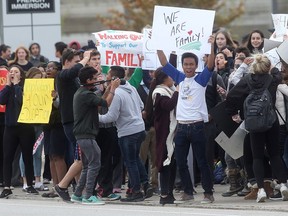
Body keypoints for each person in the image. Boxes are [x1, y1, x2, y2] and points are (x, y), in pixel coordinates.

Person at [156, 35, 215, 204]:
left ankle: (208, 192)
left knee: (202, 162)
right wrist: (158, 44)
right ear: (182, 66)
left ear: (196, 66)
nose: (188, 67)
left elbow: (211, 65)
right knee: (180, 161)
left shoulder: (201, 79)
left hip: (197, 127)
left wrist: (211, 47)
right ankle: (188, 191)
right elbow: (164, 62)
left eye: (191, 64)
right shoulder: (179, 78)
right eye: (186, 64)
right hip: (181, 128)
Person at [226, 54, 288, 202]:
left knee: (257, 157)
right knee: (274, 155)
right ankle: (284, 185)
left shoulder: (247, 80)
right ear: (267, 67)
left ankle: (260, 190)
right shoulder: (273, 79)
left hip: (253, 123)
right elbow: (277, 73)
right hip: (271, 121)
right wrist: (271, 68)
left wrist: (235, 113)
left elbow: (232, 96)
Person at [99, 66, 151, 202]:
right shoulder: (132, 88)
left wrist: (95, 117)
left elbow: (111, 117)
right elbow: (140, 106)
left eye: (108, 76)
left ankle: (136, 191)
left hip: (127, 132)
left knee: (130, 162)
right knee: (135, 158)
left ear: (114, 79)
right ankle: (146, 184)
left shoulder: (117, 94)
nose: (106, 79)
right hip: (139, 128)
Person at [70, 66, 120, 204]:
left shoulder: (84, 93)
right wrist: (114, 89)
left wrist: (109, 88)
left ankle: (78, 194)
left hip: (83, 134)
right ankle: (88, 196)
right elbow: (106, 103)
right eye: (94, 78)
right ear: (88, 80)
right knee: (95, 163)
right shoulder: (86, 94)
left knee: (87, 166)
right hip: (86, 134)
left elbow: (98, 104)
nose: (97, 80)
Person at [54, 49, 92, 201]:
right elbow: (74, 71)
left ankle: (78, 189)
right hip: (71, 122)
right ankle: (62, 185)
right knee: (81, 158)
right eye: (76, 61)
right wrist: (85, 59)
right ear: (66, 62)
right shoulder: (62, 75)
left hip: (78, 121)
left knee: (79, 157)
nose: (79, 65)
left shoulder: (73, 79)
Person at [0, 65, 38, 198]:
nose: (13, 73)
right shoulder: (8, 88)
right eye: (11, 72)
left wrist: (16, 85)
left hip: (25, 127)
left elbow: (21, 100)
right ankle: (6, 186)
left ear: (21, 75)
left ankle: (30, 184)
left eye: (16, 72)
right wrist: (8, 85)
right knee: (7, 157)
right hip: (10, 127)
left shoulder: (24, 88)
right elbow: (1, 100)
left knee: (27, 156)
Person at [145, 68, 178, 204]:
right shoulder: (159, 92)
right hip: (164, 132)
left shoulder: (168, 90)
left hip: (171, 131)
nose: (173, 79)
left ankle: (169, 193)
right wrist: (177, 92)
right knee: (165, 162)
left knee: (172, 163)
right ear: (164, 78)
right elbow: (168, 105)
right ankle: (164, 194)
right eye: (171, 76)